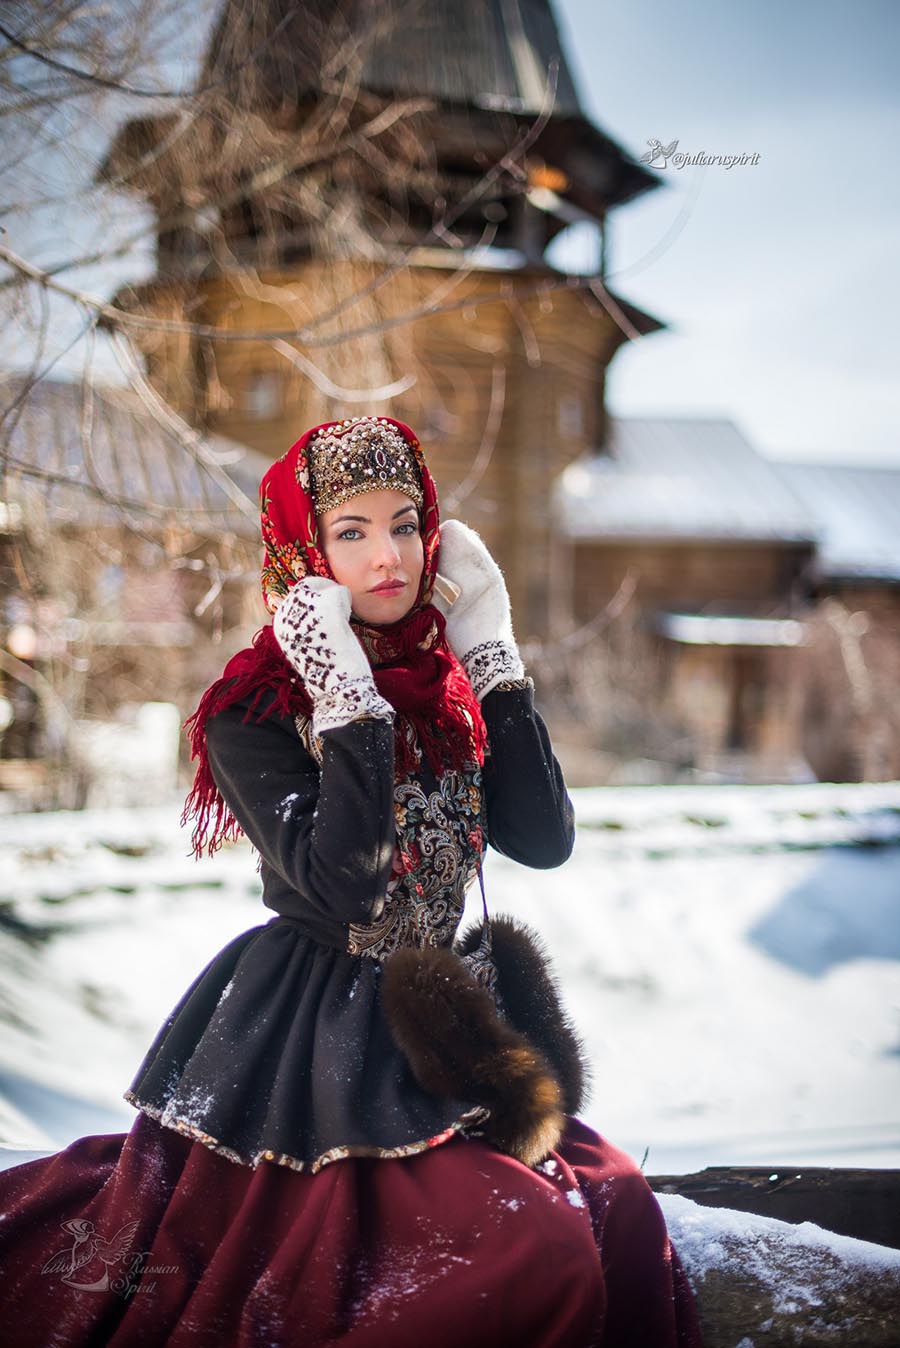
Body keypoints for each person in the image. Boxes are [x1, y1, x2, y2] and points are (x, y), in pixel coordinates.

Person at [0, 417, 701, 1347]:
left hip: (442, 1023)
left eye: (407, 525)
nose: (390, 556)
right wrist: (346, 701)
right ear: (306, 549)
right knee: (535, 1250)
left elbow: (542, 838)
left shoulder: (447, 685)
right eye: (352, 532)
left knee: (621, 1208)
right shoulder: (253, 708)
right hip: (314, 1045)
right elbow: (348, 890)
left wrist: (492, 656)